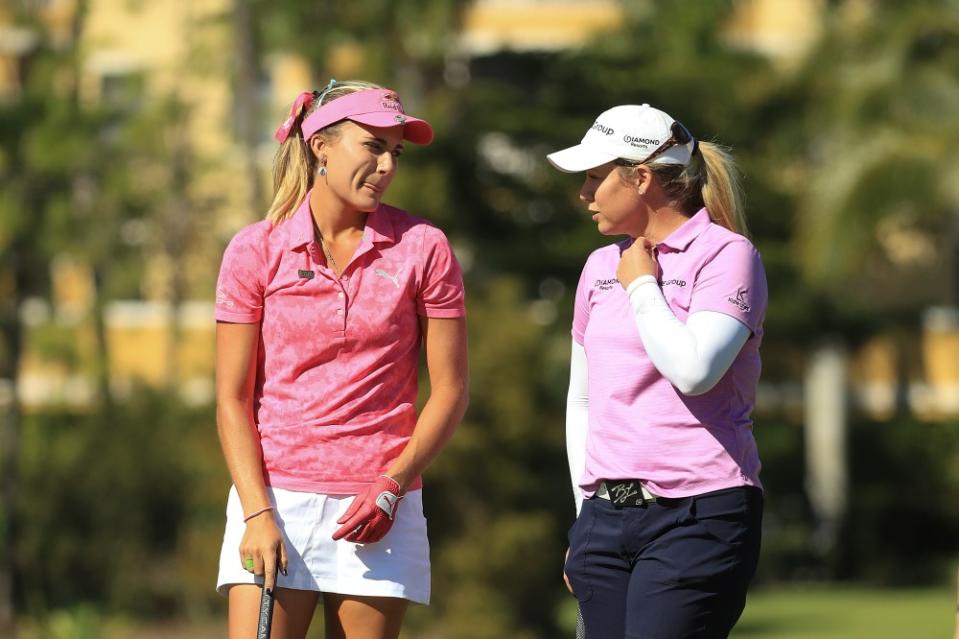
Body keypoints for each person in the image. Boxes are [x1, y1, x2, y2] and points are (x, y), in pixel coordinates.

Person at [214, 79, 469, 639]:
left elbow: (450, 391)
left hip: (379, 505)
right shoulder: (255, 249)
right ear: (320, 146)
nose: (385, 166)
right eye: (372, 146)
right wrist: (257, 513)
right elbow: (232, 399)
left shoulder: (425, 247)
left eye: (395, 152)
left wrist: (394, 482)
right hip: (275, 500)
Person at [548, 103, 767, 639]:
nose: (584, 194)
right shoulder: (599, 266)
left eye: (595, 178)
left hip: (699, 515)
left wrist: (642, 285)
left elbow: (694, 372)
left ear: (641, 177)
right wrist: (586, 511)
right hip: (605, 517)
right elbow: (583, 399)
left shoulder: (727, 255)